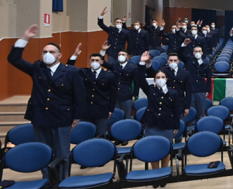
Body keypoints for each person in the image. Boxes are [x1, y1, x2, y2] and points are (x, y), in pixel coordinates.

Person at [7, 24, 85, 180]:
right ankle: (47, 181)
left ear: (59, 55)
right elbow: (13, 59)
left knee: (62, 152)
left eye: (52, 52)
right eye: (45, 52)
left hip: (62, 117)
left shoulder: (71, 72)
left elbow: (80, 96)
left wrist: (77, 117)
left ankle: (61, 182)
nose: (48, 54)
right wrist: (25, 38)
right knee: (44, 151)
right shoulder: (37, 68)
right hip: (40, 116)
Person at [136, 52, 184, 173]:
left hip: (167, 124)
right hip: (152, 124)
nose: (160, 79)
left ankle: (164, 171)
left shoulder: (174, 93)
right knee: (153, 149)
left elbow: (176, 111)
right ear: (154, 80)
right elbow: (140, 79)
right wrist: (142, 63)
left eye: (163, 77)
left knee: (166, 148)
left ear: (167, 79)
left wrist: (176, 126)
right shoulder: (150, 89)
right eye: (158, 78)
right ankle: (155, 173)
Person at [68, 45, 117, 138]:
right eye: (92, 60)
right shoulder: (83, 72)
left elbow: (113, 94)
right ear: (89, 62)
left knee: (101, 134)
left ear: (102, 62)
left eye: (97, 60)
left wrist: (111, 110)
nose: (95, 62)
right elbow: (68, 68)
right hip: (86, 109)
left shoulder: (109, 75)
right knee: (86, 134)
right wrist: (75, 55)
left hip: (102, 109)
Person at [100, 43, 140, 118]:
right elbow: (103, 62)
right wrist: (103, 51)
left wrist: (134, 95)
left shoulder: (133, 67)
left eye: (123, 54)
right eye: (119, 54)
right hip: (115, 95)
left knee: (127, 116)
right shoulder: (114, 65)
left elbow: (136, 82)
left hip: (126, 95)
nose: (121, 56)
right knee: (115, 116)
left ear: (127, 57)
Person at [179, 40, 213, 122]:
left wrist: (208, 90)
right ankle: (192, 129)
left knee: (201, 112)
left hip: (201, 89)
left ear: (202, 53)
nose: (197, 52)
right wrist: (183, 45)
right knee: (192, 111)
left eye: (199, 51)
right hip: (191, 89)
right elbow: (180, 54)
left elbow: (209, 78)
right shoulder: (188, 60)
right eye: (196, 51)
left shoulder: (206, 63)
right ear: (193, 53)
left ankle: (199, 129)